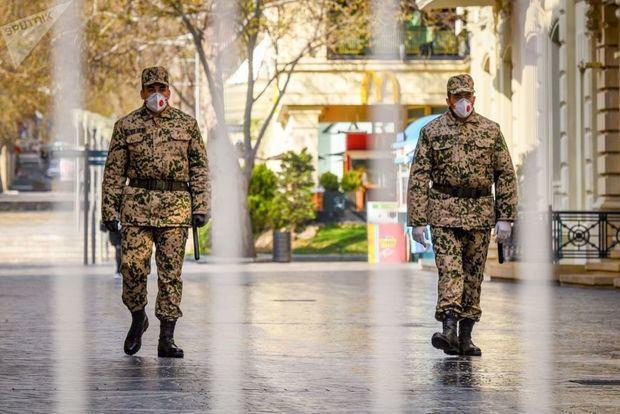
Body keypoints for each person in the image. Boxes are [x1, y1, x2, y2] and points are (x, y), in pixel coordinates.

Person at [101, 66, 210, 358]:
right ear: (142, 92)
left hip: (175, 209)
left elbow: (200, 168)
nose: (157, 94)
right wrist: (109, 210)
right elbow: (114, 172)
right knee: (132, 268)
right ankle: (138, 317)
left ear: (169, 92)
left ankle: (167, 337)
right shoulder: (125, 126)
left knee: (170, 274)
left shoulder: (187, 124)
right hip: (137, 208)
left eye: (161, 88)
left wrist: (201, 206)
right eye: (151, 89)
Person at [407, 74, 517, 356]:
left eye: (467, 96)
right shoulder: (432, 131)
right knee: (450, 270)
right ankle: (448, 329)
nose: (463, 101)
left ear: (474, 98)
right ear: (448, 100)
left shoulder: (491, 131)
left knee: (473, 274)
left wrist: (506, 216)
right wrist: (417, 221)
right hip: (443, 211)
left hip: (479, 212)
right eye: (457, 96)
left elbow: (505, 174)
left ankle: (465, 337)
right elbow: (419, 177)